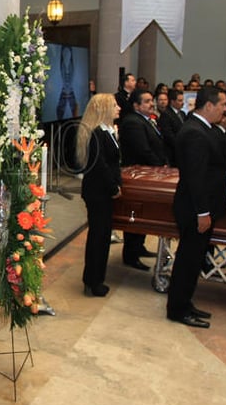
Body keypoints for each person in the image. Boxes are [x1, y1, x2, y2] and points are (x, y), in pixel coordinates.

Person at [166, 86, 226, 328]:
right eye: (222, 104)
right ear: (209, 105)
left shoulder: (205, 129)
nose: (225, 109)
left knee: (193, 260)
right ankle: (178, 308)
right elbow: (196, 177)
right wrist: (203, 212)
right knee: (187, 260)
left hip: (202, 207)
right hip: (194, 209)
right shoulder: (194, 132)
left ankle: (185, 302)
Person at [75, 94, 121, 297]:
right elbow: (101, 165)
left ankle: (96, 278)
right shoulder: (96, 133)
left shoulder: (107, 131)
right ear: (103, 110)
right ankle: (92, 280)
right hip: (98, 192)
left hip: (102, 191)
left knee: (102, 237)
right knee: (98, 237)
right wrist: (114, 188)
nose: (118, 108)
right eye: (114, 105)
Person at [119, 89, 167, 270]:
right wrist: (159, 166)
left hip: (149, 173)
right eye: (146, 101)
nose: (151, 104)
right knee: (135, 215)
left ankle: (139, 247)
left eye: (151, 100)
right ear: (136, 105)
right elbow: (142, 150)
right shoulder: (132, 122)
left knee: (144, 214)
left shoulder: (148, 119)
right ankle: (130, 254)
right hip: (138, 174)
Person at [158, 88, 186, 166]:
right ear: (173, 101)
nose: (182, 103)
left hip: (182, 151)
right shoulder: (166, 114)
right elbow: (168, 135)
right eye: (179, 101)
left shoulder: (182, 114)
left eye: (182, 100)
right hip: (172, 152)